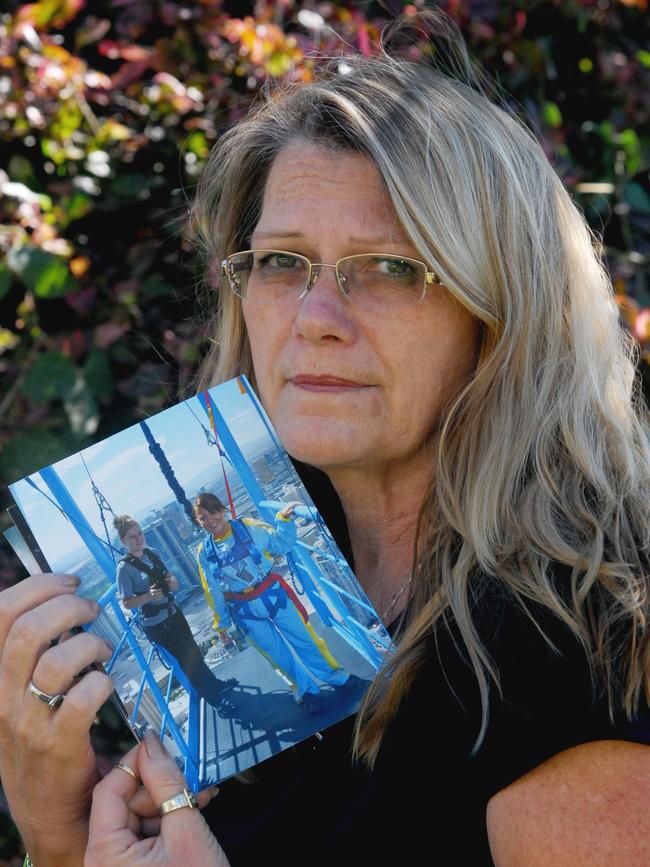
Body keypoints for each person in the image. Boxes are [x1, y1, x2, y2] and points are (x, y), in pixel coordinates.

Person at [2, 11, 650, 867]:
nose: (315, 319)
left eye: (388, 268)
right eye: (281, 263)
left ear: (500, 312)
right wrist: (60, 831)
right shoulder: (271, 557)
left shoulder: (587, 640)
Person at [193, 492, 365, 712]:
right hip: (245, 611)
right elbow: (212, 589)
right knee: (277, 656)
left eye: (212, 512)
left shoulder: (248, 527)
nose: (209, 520)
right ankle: (305, 691)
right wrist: (222, 625)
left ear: (222, 510)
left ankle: (338, 678)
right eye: (202, 518)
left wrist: (283, 520)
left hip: (272, 596)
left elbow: (280, 543)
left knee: (306, 640)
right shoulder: (204, 552)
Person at [113, 515, 237, 709]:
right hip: (157, 624)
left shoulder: (152, 553)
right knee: (186, 659)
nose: (138, 539)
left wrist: (172, 583)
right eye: (132, 537)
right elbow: (127, 603)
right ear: (123, 542)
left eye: (139, 533)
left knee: (194, 651)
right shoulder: (124, 569)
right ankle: (214, 699)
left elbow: (173, 582)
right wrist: (148, 596)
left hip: (173, 612)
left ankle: (215, 686)